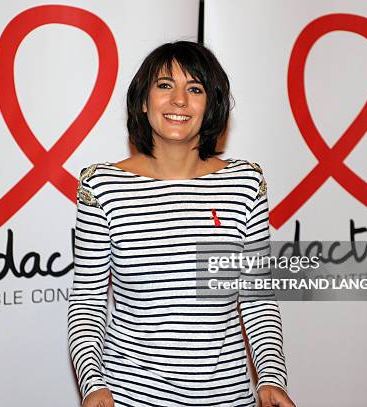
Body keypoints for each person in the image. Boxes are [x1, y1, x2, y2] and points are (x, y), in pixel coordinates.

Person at [68, 41, 295, 407]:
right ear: (143, 101)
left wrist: (271, 378)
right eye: (164, 85)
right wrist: (93, 385)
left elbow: (257, 299)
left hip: (228, 399)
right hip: (130, 398)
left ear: (211, 106)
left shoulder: (245, 184)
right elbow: (88, 303)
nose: (179, 100)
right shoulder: (101, 186)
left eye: (194, 89)